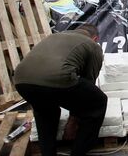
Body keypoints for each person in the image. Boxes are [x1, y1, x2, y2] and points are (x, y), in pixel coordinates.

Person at [14, 24, 106, 156]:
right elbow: (88, 83)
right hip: (58, 78)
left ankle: (48, 153)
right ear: (95, 38)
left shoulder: (53, 37)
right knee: (98, 102)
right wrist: (72, 121)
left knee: (45, 111)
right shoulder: (92, 45)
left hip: (22, 81)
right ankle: (78, 151)